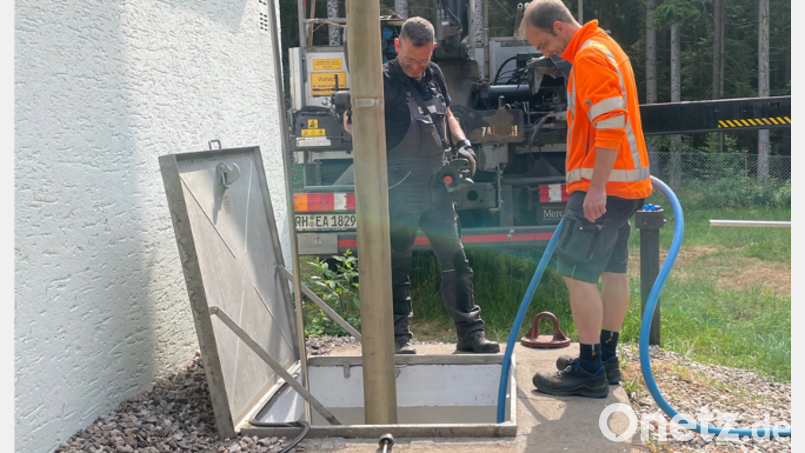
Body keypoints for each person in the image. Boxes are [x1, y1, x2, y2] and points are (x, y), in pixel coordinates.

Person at [343, 17, 499, 355]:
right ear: (397, 46)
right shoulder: (379, 79)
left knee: (455, 259)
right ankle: (398, 338)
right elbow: (352, 124)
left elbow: (447, 113)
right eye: (411, 59)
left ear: (433, 51)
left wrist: (462, 144)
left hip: (436, 183)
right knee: (396, 264)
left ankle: (470, 335)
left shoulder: (434, 74)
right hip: (398, 186)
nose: (416, 67)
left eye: (423, 60)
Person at [520, 0, 652, 397]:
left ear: (560, 27)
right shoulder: (604, 46)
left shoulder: (590, 56)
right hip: (624, 188)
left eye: (544, 43)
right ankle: (605, 358)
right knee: (612, 272)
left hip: (604, 188)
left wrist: (595, 188)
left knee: (577, 274)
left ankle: (590, 369)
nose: (545, 53)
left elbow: (610, 126)